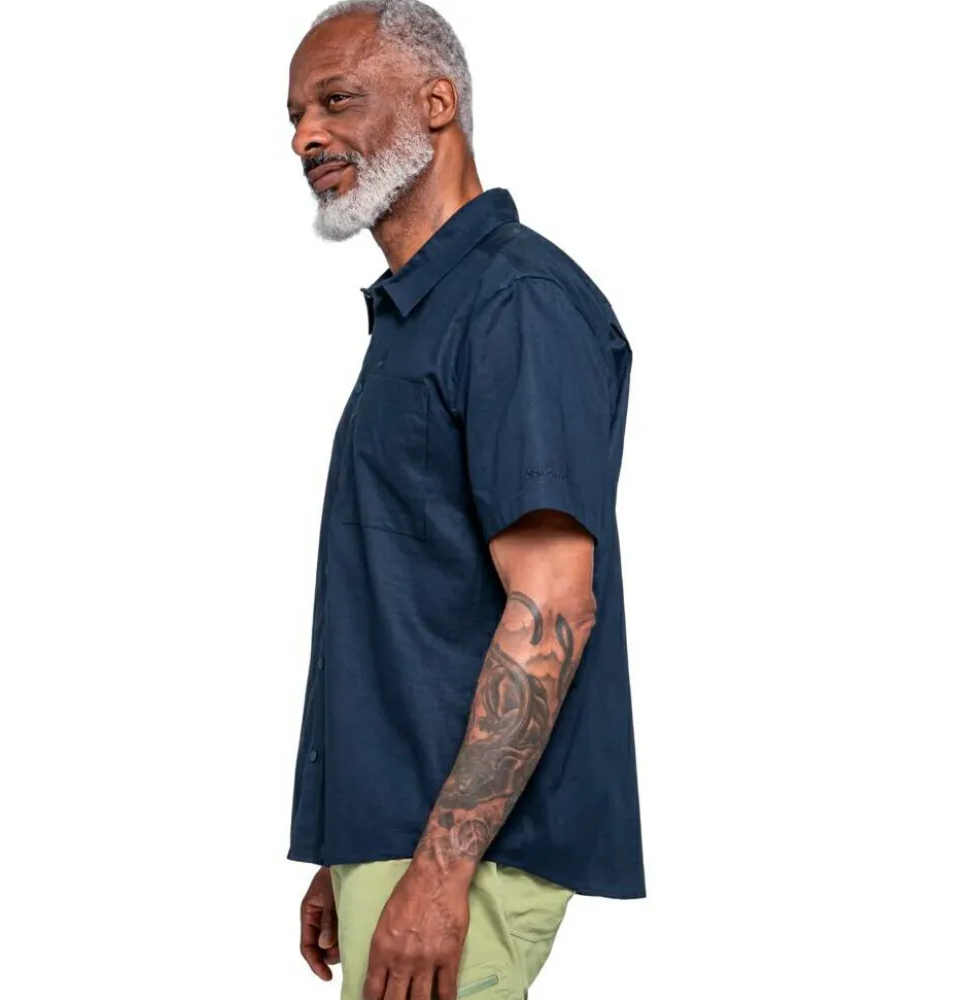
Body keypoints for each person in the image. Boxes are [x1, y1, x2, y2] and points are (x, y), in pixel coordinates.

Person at [285, 3, 646, 998]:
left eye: (336, 100)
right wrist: (353, 847)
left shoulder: (515, 304)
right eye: (296, 115)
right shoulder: (424, 314)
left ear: (437, 103)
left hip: (465, 858)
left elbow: (554, 603)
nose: (305, 135)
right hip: (403, 837)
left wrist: (439, 872)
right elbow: (418, 600)